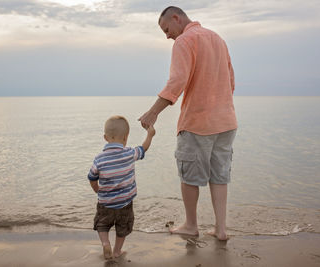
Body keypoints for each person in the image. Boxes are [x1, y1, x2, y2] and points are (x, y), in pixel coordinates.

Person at [139, 6, 237, 241]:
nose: (167, 36)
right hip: (226, 121)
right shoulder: (218, 39)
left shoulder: (185, 40)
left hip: (197, 123)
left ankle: (191, 225)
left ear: (176, 18)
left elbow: (177, 81)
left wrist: (153, 113)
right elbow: (231, 80)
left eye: (166, 29)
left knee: (189, 176)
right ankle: (221, 230)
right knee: (219, 176)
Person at [87, 115, 155, 259]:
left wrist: (97, 190)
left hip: (105, 203)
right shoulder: (129, 153)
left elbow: (92, 177)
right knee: (123, 228)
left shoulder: (99, 158)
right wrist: (150, 135)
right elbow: (144, 148)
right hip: (125, 203)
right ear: (125, 137)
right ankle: (117, 251)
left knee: (102, 225)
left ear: (105, 138)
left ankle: (105, 243)